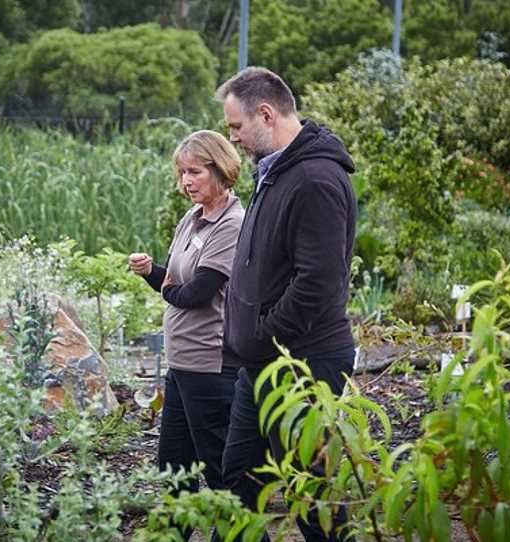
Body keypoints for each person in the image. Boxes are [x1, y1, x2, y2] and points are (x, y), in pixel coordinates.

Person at [216, 67, 358, 541]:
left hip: (302, 360)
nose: (232, 137)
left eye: (236, 126)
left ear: (266, 113)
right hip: (265, 361)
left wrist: (261, 336)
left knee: (309, 495)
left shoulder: (315, 179)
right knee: (237, 485)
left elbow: (318, 281)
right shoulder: (276, 172)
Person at [128, 130, 245, 539]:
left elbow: (195, 294)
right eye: (181, 173)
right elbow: (174, 283)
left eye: (194, 171)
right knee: (174, 468)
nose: (186, 181)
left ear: (221, 169)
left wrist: (167, 287)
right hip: (181, 365)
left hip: (210, 364)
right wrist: (150, 273)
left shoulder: (232, 223)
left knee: (218, 471)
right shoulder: (192, 218)